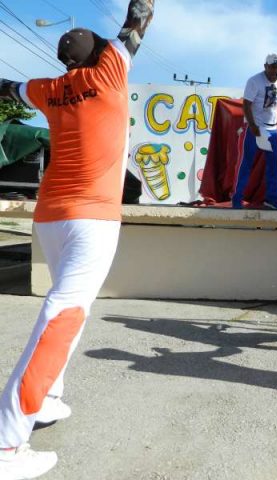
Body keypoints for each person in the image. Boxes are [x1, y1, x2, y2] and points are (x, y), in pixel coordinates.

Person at [0, 2, 154, 478]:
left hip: (51, 217)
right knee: (62, 317)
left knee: (66, 309)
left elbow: (7, 89)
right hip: (91, 219)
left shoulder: (50, 89)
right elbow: (137, 21)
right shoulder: (108, 75)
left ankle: (45, 399)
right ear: (97, 57)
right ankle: (7, 444)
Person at [232, 53, 277, 210]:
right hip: (254, 128)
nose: (275, 71)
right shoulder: (254, 81)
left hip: (272, 129)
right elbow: (246, 104)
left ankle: (272, 199)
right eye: (272, 68)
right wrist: (253, 126)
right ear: (265, 67)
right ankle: (237, 199)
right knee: (245, 164)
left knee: (274, 166)